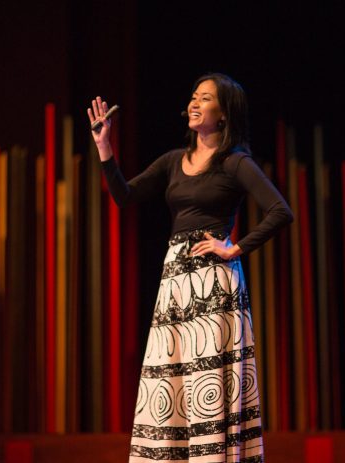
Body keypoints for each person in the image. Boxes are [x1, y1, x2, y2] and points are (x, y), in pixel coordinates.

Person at [87, 73, 293, 463]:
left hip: (213, 287)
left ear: (224, 113)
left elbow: (281, 211)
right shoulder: (172, 162)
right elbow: (124, 196)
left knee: (207, 382)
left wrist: (235, 248)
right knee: (171, 380)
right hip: (175, 286)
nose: (194, 103)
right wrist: (104, 146)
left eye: (205, 98)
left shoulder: (235, 163)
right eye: (193, 97)